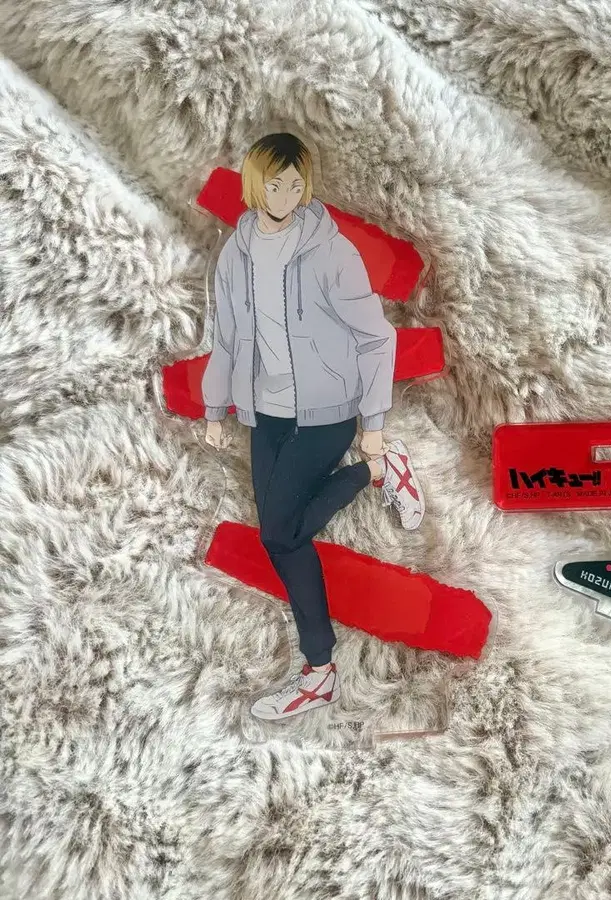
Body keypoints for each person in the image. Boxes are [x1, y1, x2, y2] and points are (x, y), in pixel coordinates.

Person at [201, 133, 425, 721]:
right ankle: (378, 473)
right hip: (265, 412)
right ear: (255, 185)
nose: (285, 195)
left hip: (329, 411)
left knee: (280, 537)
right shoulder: (236, 254)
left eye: (295, 184)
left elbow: (378, 338)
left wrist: (372, 423)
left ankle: (319, 672)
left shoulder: (332, 253)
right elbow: (226, 337)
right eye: (274, 184)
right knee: (284, 537)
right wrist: (215, 407)